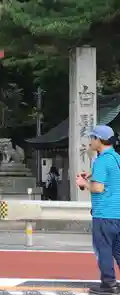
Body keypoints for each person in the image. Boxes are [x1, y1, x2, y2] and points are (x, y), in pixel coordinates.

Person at [75, 125, 120, 294]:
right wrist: (92, 175)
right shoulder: (116, 158)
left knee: (104, 250)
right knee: (118, 250)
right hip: (118, 213)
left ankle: (109, 284)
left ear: (99, 140)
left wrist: (84, 183)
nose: (90, 141)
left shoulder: (101, 160)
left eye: (92, 138)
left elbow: (98, 188)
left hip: (104, 214)